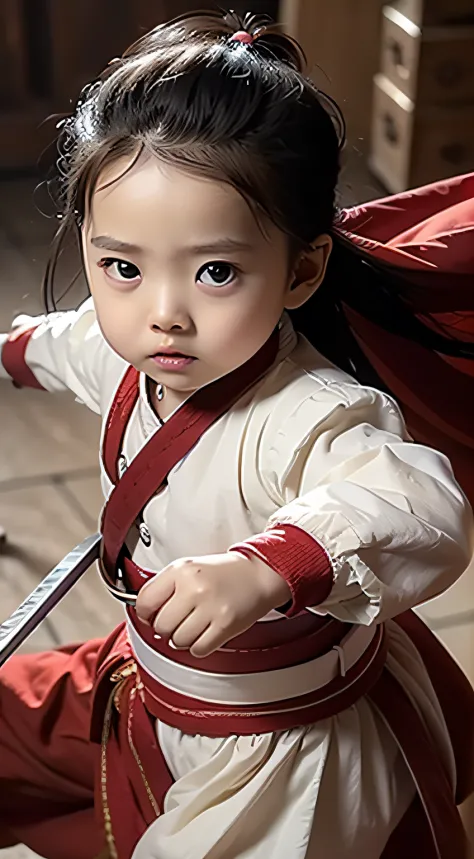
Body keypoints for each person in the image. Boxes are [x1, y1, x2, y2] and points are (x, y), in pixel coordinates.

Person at [0, 11, 473, 859]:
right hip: (145, 681)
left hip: (276, 754)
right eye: (123, 266)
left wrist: (265, 567)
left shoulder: (317, 415)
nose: (162, 313)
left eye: (216, 270)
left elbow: (417, 506)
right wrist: (10, 354)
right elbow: (58, 343)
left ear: (301, 269)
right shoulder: (129, 352)